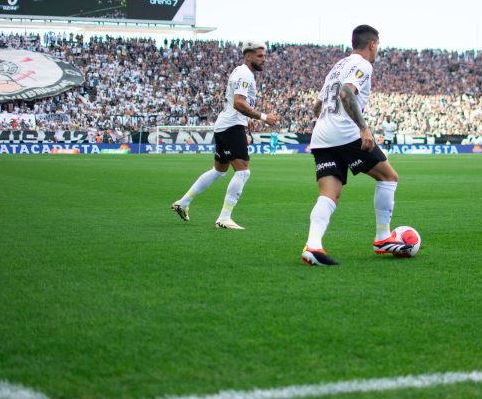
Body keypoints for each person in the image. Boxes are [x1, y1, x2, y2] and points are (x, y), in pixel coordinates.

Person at [301, 25, 412, 266]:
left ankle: (313, 245)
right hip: (345, 133)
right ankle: (383, 238)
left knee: (329, 194)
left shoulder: (338, 66)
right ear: (373, 44)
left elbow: (317, 106)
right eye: (378, 45)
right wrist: (364, 128)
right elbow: (345, 93)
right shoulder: (363, 65)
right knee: (388, 177)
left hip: (321, 135)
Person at [172, 41, 279, 229]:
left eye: (265, 56)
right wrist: (263, 117)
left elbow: (235, 103)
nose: (264, 60)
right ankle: (224, 217)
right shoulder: (245, 74)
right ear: (248, 56)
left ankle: (183, 203)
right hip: (231, 126)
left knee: (219, 171)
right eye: (260, 56)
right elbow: (239, 103)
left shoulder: (240, 72)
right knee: (243, 171)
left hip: (225, 125)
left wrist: (248, 120)